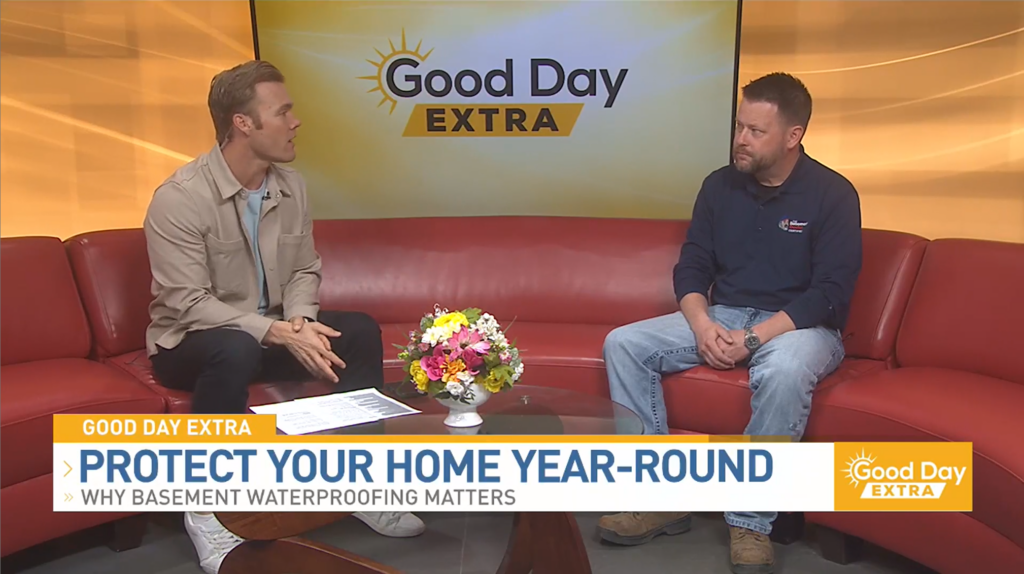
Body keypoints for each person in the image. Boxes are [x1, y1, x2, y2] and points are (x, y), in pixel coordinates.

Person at [143, 60, 425, 574]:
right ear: (243, 123)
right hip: (191, 344)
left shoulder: (290, 186)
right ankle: (209, 508)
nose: (295, 122)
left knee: (356, 331)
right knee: (234, 345)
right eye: (283, 111)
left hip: (265, 335)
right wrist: (275, 330)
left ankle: (359, 481)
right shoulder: (179, 199)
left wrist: (298, 325)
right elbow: (187, 301)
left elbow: (304, 270)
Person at [597, 73, 862, 574]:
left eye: (756, 131)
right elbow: (693, 265)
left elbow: (829, 295)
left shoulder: (833, 194)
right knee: (623, 344)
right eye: (739, 126)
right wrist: (700, 325)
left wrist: (754, 338)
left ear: (793, 135)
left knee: (782, 372)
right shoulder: (718, 185)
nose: (741, 139)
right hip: (724, 314)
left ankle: (750, 521)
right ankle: (657, 497)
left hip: (802, 329)